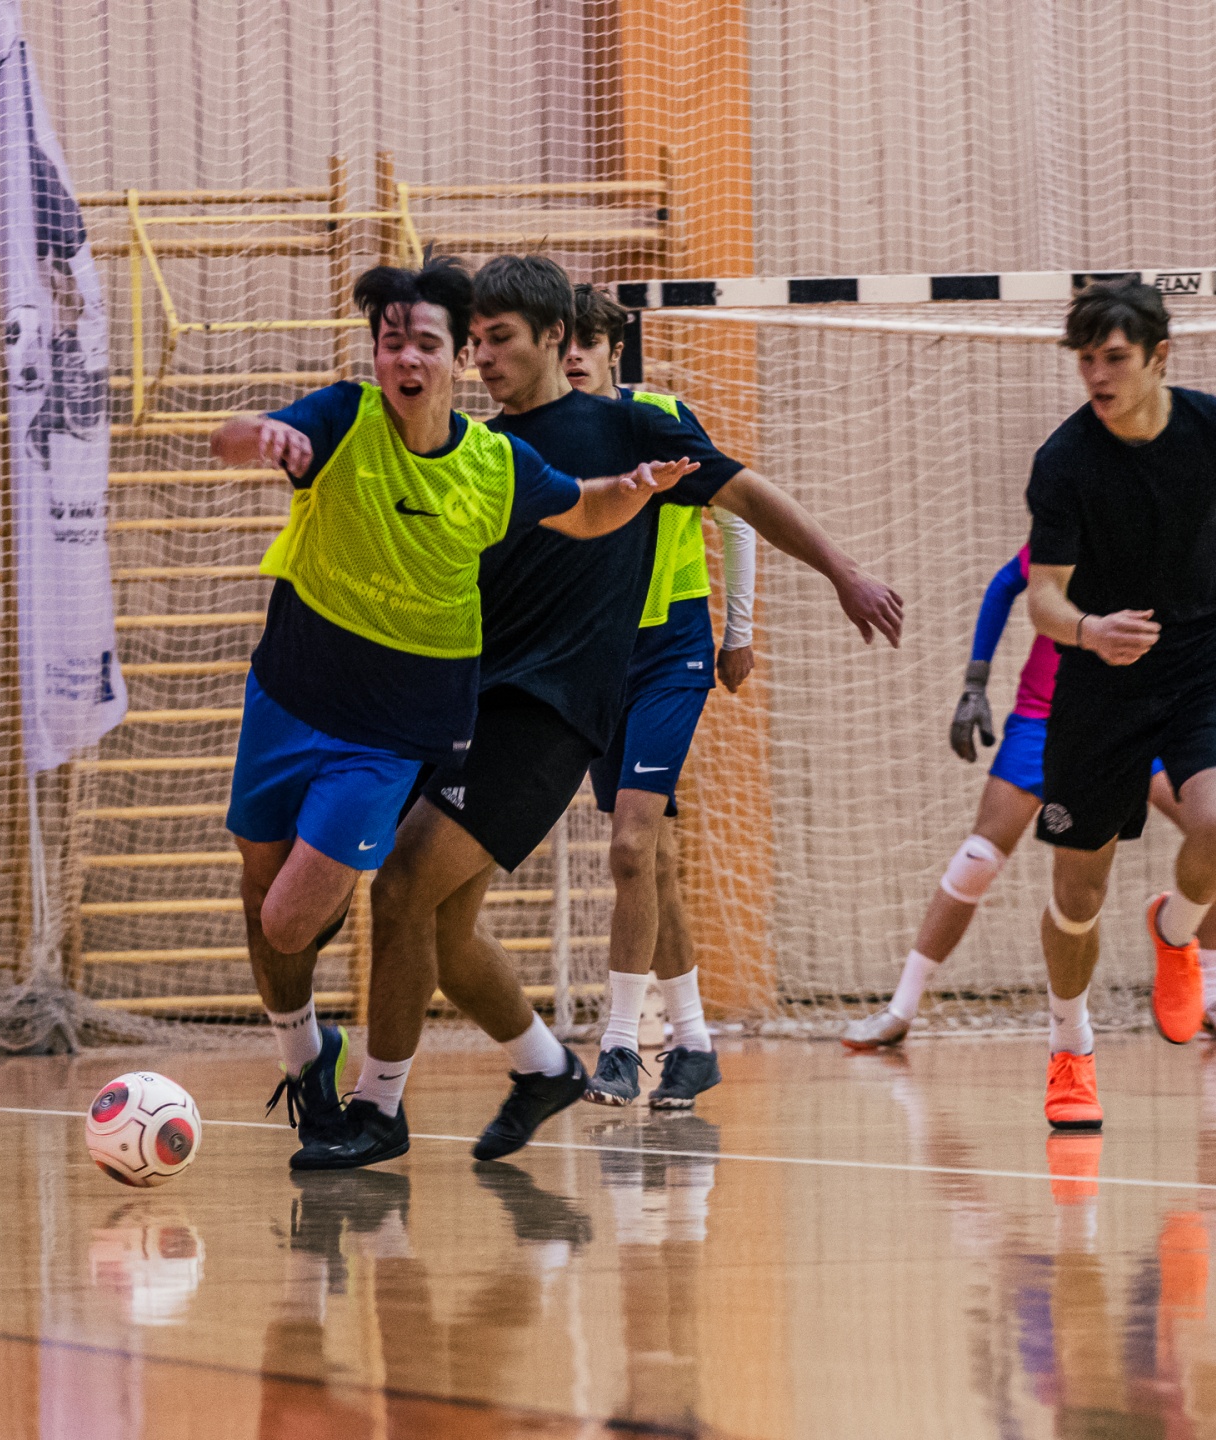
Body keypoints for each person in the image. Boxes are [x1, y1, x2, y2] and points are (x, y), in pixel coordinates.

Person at [300, 254, 903, 1170]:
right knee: (445, 931)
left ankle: (380, 1110)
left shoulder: (630, 428)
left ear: (554, 337)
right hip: (466, 705)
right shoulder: (484, 449)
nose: (482, 356)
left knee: (402, 887)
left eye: (499, 338)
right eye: (474, 341)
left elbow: (747, 497)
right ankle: (543, 1068)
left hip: (546, 717)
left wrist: (843, 573)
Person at [208, 256, 700, 1167]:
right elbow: (250, 435)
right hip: (305, 695)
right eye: (391, 342)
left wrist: (637, 490)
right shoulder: (347, 416)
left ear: (458, 356)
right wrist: (256, 437)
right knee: (408, 918)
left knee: (341, 908)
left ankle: (379, 1106)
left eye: (430, 343)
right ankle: (528, 1064)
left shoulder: (503, 462)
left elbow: (588, 507)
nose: (409, 358)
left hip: (432, 726)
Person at [1022, 279, 1216, 1132]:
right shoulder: (1065, 460)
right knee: (1077, 897)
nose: (1097, 377)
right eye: (1085, 360)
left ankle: (1176, 931)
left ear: (1160, 357)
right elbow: (1043, 598)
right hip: (1099, 690)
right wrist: (1089, 630)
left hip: (1200, 671)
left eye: (1114, 358)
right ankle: (1070, 1048)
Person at [840, 546, 1216, 1050]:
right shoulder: (1069, 527)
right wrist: (975, 683)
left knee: (1215, 834)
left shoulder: (1168, 540)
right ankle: (901, 1008)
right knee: (978, 859)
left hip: (1137, 715)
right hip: (1043, 716)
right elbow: (1005, 585)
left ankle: (1214, 999)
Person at [563, 286, 759, 1109]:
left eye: (588, 342)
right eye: (562, 343)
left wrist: (737, 632)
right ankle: (694, 1044)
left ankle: (618, 1047)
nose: (574, 356)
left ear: (616, 350)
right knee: (653, 860)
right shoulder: (547, 436)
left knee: (631, 846)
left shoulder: (661, 417)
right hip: (598, 656)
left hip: (673, 651)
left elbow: (738, 516)